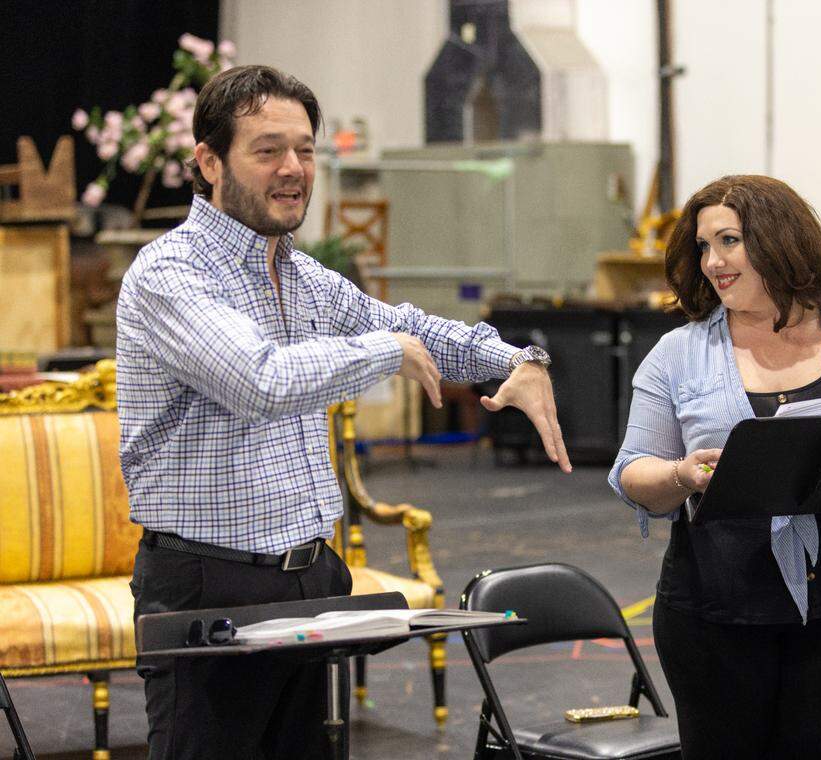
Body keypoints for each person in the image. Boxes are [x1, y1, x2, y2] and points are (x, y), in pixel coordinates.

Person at [118, 64, 570, 760]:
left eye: (304, 149)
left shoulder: (300, 275)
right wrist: (388, 350)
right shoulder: (169, 273)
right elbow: (259, 380)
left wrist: (518, 359)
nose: (294, 168)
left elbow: (417, 326)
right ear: (208, 161)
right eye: (268, 150)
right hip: (208, 586)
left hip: (309, 578)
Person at [608, 175, 821, 758]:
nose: (712, 262)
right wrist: (682, 475)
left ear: (780, 240)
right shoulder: (678, 354)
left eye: (728, 241)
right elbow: (632, 473)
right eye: (703, 247)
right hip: (714, 614)